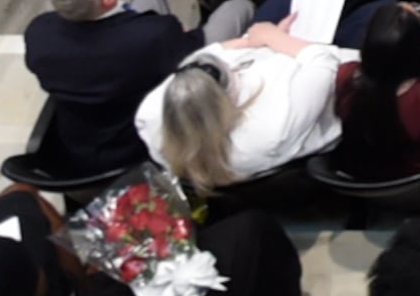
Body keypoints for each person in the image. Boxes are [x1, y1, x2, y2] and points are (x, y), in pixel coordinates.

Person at [21, 0, 199, 178]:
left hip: (78, 145)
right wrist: (179, 35)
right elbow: (194, 48)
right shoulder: (152, 36)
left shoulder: (39, 31)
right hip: (135, 146)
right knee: (235, 9)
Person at [137, 27, 346, 191]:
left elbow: (203, 57)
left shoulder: (152, 113)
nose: (236, 70)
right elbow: (323, 60)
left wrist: (255, 40)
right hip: (322, 74)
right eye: (235, 73)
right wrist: (272, 37)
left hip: (274, 51)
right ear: (224, 101)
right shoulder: (271, 126)